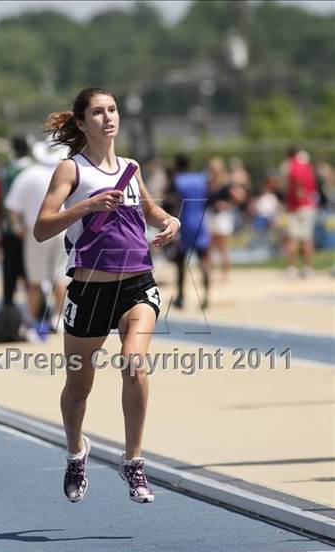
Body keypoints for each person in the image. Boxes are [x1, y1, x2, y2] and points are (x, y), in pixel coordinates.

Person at [34, 87, 180, 504]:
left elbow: (150, 211)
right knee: (79, 389)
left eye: (112, 109)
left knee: (135, 365)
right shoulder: (71, 171)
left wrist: (169, 221)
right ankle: (77, 452)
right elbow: (42, 227)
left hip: (137, 284)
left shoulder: (132, 168)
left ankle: (134, 460)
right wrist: (87, 206)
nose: (108, 118)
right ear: (82, 122)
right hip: (89, 289)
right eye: (98, 112)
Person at [5, 140, 69, 338]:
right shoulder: (67, 173)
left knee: (34, 279)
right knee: (61, 276)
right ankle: (58, 319)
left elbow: (13, 207)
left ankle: (33, 321)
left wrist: (18, 228)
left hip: (37, 231)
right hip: (63, 229)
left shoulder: (28, 176)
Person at [169, 154, 211, 310]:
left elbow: (177, 203)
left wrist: (173, 223)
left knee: (180, 261)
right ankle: (206, 297)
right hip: (200, 221)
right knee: (204, 260)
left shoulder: (178, 180)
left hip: (184, 222)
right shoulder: (201, 178)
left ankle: (180, 296)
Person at [0, 136, 34, 306]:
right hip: (30, 228)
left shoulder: (6, 170)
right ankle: (38, 313)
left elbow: (3, 201)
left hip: (10, 228)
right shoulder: (33, 169)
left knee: (10, 272)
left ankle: (8, 310)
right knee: (32, 274)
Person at [280, 147, 318, 278]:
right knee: (307, 239)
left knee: (293, 239)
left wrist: (298, 192)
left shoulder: (294, 165)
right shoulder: (308, 166)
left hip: (297, 206)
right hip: (309, 206)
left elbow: (296, 179)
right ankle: (308, 268)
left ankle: (292, 268)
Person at [207, 157, 245, 281]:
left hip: (223, 216)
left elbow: (239, 197)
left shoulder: (226, 183)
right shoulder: (209, 183)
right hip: (211, 215)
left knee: (223, 246)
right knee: (211, 247)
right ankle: (210, 274)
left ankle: (225, 274)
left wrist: (227, 205)